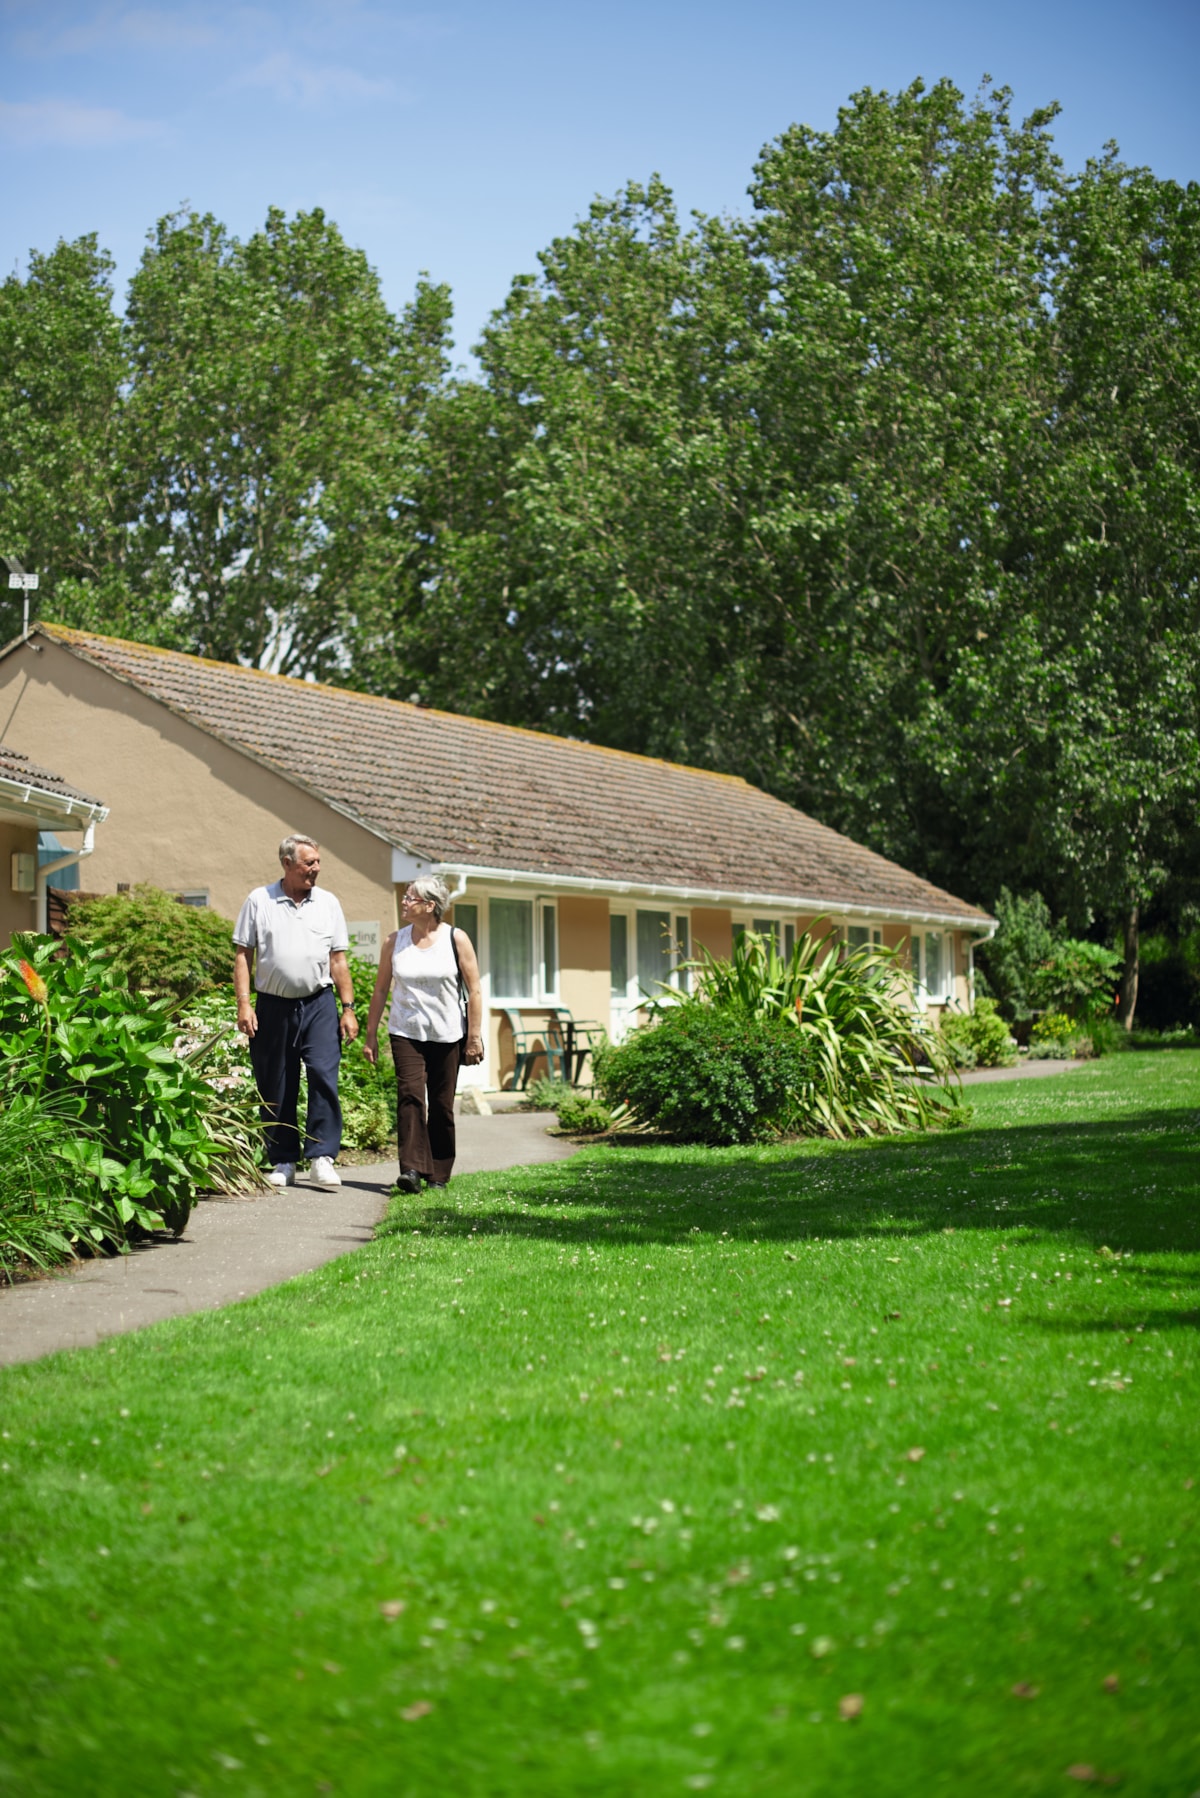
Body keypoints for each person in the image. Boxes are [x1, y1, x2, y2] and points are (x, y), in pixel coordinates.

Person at [233, 834, 359, 1190]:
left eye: (318, 862)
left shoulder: (328, 903)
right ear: (287, 864)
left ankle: (322, 1157)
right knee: (275, 1082)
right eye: (309, 863)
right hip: (272, 1005)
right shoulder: (260, 900)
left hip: (319, 1002)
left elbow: (338, 960)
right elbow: (243, 955)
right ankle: (283, 1161)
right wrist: (244, 1003)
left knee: (322, 1074)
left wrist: (347, 1009)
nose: (316, 869)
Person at [363, 876, 484, 1191]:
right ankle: (412, 1170)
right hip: (406, 1031)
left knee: (442, 1105)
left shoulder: (456, 939)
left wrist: (473, 1036)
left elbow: (474, 991)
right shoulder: (395, 941)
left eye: (411, 897)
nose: (404, 901)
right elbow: (379, 991)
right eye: (405, 896)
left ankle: (439, 1175)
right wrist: (371, 1033)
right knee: (411, 1097)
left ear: (430, 905)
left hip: (448, 1033)